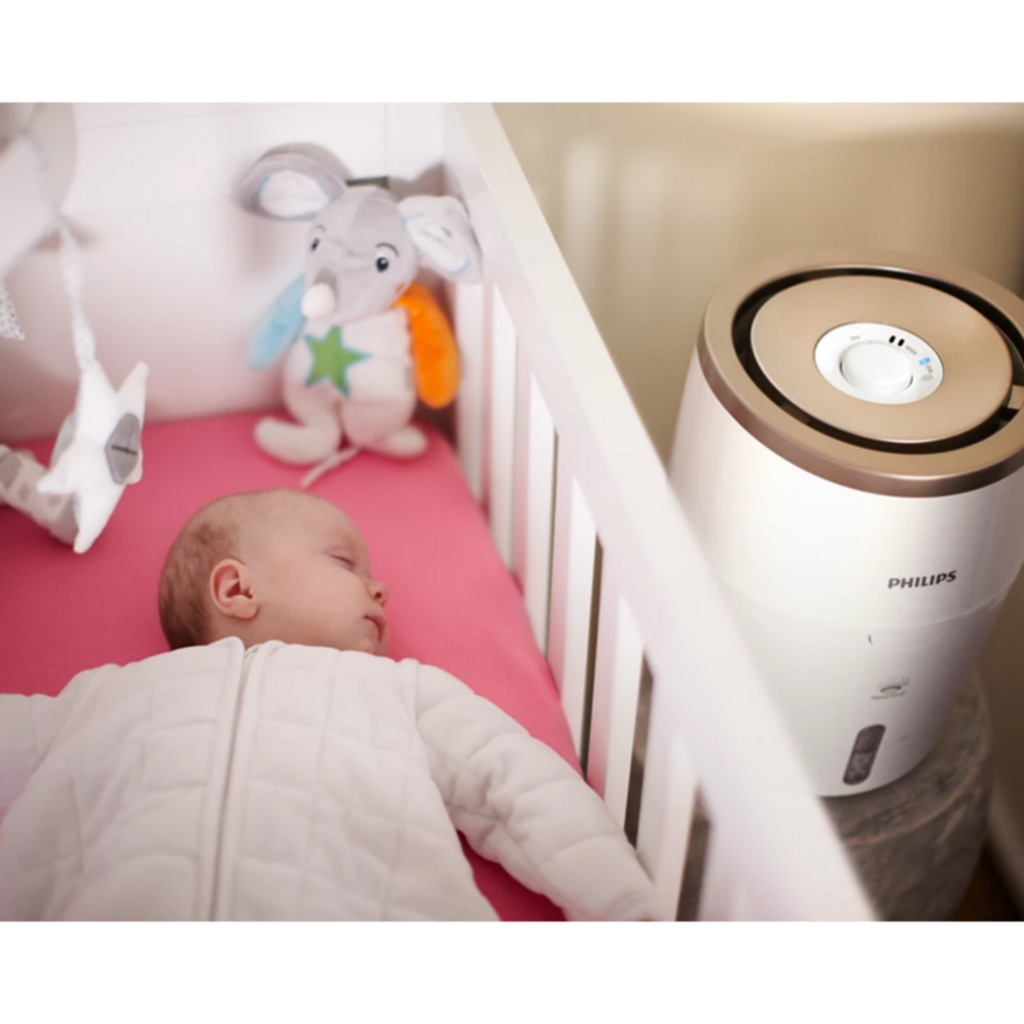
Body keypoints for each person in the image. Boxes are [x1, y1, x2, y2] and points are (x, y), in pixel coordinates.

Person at [0, 489, 659, 921]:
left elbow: (517, 784)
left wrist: (629, 911)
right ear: (237, 589)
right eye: (346, 563)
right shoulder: (107, 697)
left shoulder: (402, 690)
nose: (380, 588)